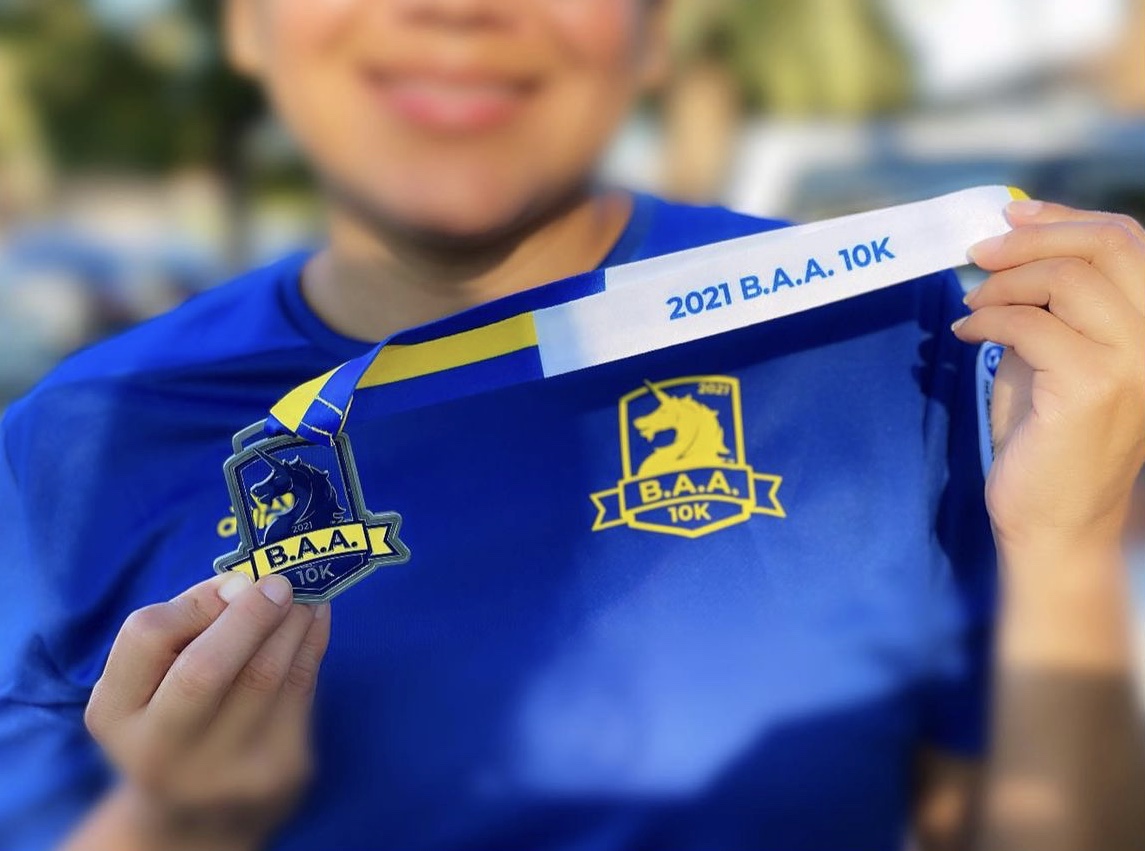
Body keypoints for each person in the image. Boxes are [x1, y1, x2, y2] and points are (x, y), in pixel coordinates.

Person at [1, 2, 1143, 850]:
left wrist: (1067, 543)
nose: (456, 10)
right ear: (247, 25)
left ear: (654, 34)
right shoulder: (71, 447)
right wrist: (166, 826)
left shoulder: (887, 333)